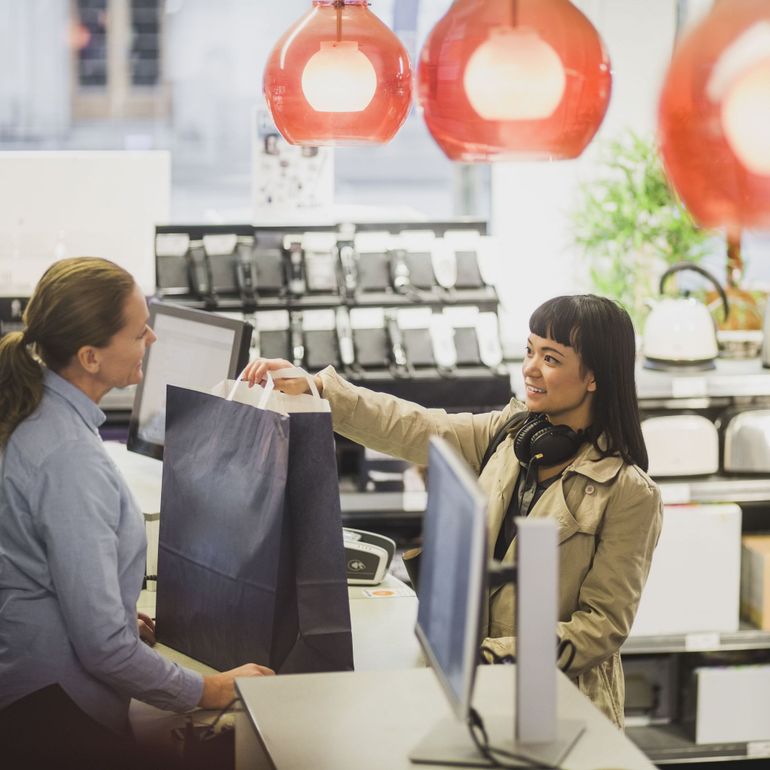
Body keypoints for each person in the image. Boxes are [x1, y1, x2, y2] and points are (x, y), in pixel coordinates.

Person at [243, 294, 662, 729]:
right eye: (529, 350)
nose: (530, 368)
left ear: (594, 376)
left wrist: (491, 657)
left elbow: (601, 628)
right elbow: (419, 425)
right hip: (471, 691)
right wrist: (323, 389)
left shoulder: (629, 493)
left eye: (551, 358)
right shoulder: (511, 433)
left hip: (559, 710)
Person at [0, 257, 273, 768]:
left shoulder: (40, 415)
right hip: (51, 716)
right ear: (90, 357)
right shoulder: (70, 460)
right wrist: (210, 690)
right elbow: (103, 649)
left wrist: (115, 611)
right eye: (136, 331)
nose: (151, 338)